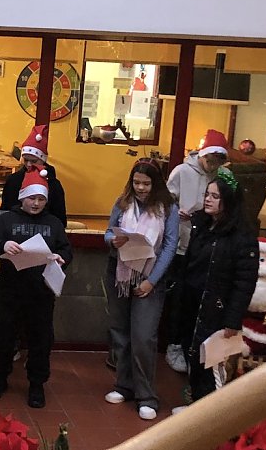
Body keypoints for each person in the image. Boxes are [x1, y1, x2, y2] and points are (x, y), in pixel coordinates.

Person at [0, 164, 71, 408]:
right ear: (23, 197)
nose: (36, 203)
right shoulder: (7, 219)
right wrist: (3, 247)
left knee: (41, 338)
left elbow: (65, 250)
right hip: (10, 289)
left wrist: (60, 258)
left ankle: (36, 383)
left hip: (41, 291)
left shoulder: (54, 223)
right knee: (3, 334)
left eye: (41, 199)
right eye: (32, 198)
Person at [102, 158, 179, 421]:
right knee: (120, 332)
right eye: (136, 182)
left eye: (146, 183)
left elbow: (170, 246)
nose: (141, 188)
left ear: (156, 183)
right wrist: (114, 240)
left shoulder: (168, 207)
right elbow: (107, 233)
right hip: (120, 274)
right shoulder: (122, 202)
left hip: (149, 278)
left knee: (144, 338)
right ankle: (124, 385)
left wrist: (152, 281)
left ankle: (147, 396)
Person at [175, 170, 258, 409]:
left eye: (215, 196)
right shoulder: (201, 225)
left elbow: (245, 282)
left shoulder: (242, 236)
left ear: (229, 201)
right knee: (192, 354)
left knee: (210, 364)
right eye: (207, 194)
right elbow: (191, 265)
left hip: (217, 311)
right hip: (193, 303)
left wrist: (233, 320)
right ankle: (195, 407)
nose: (208, 200)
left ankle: (205, 415)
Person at [164, 129, 231, 373]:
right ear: (202, 155)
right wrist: (176, 211)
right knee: (179, 299)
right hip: (183, 245)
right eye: (210, 160)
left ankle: (197, 350)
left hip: (208, 248)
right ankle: (174, 345)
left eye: (218, 161)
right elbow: (166, 200)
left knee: (199, 302)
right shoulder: (183, 171)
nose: (212, 165)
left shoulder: (224, 176)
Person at [0, 125, 67, 227]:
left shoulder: (54, 185)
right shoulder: (14, 181)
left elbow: (60, 219)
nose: (29, 164)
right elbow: (5, 211)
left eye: (34, 161)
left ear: (43, 160)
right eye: (26, 160)